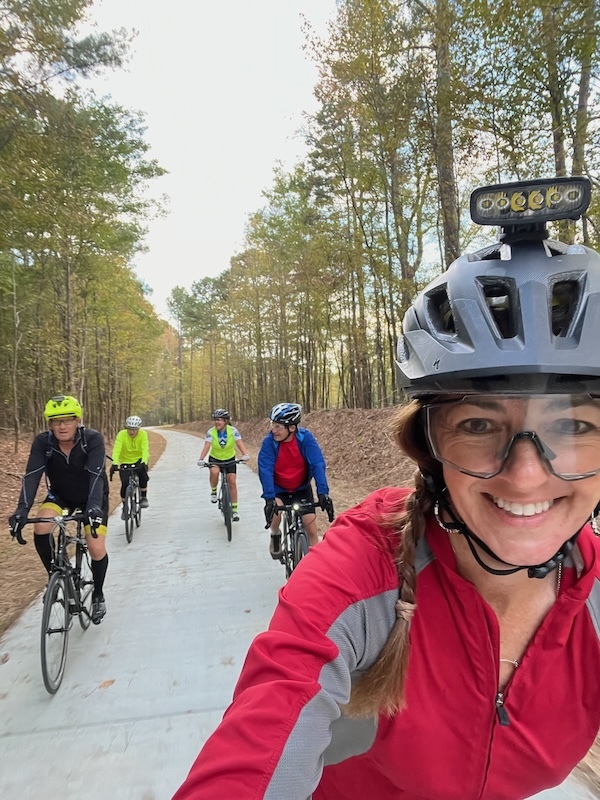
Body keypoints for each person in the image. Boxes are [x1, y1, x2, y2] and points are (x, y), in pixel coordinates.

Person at [172, 177, 600, 800]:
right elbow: (261, 738)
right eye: (478, 424)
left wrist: (316, 498)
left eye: (573, 426)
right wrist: (272, 499)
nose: (527, 474)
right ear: (429, 450)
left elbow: (317, 472)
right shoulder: (362, 576)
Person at [8, 395, 109, 625]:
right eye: (56, 421)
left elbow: (96, 476)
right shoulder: (43, 443)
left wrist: (93, 507)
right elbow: (32, 476)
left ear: (77, 420)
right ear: (50, 424)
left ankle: (98, 595)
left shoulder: (91, 440)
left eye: (67, 420)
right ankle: (55, 575)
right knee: (42, 526)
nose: (62, 426)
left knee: (95, 547)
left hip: (92, 498)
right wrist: (21, 511)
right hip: (61, 496)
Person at [257, 402, 334, 558]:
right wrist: (269, 498)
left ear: (292, 428)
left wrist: (323, 493)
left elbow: (318, 464)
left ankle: (316, 567)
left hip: (301, 488)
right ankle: (276, 535)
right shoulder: (269, 442)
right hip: (279, 489)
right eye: (273, 425)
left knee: (311, 529)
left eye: (279, 426)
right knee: (276, 514)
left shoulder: (305, 438)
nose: (274, 430)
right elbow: (265, 469)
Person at [197, 409, 249, 522]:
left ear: (225, 421)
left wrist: (245, 454)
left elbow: (239, 443)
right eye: (215, 420)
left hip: (229, 459)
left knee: (232, 482)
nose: (217, 422)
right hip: (215, 459)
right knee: (214, 472)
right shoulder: (211, 432)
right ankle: (214, 491)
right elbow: (207, 446)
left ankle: (234, 510)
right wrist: (201, 458)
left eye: (219, 420)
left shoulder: (233, 431)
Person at [110, 415, 150, 518]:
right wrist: (114, 463)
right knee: (125, 483)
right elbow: (117, 449)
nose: (131, 432)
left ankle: (144, 497)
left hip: (139, 460)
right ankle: (125, 507)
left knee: (143, 477)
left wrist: (144, 462)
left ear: (138, 429)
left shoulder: (143, 434)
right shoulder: (121, 435)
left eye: (134, 430)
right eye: (129, 429)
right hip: (125, 461)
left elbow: (145, 449)